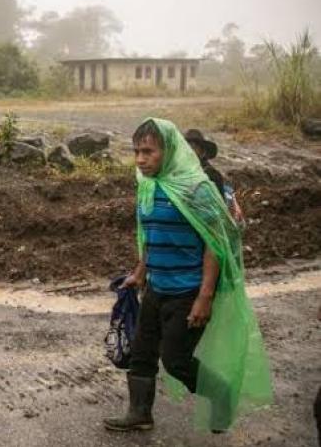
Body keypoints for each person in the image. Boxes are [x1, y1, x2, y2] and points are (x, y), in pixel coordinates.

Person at [104, 118, 272, 433]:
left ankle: (221, 393)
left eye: (148, 152)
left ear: (168, 151)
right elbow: (149, 234)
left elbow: (215, 244)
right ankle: (140, 413)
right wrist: (140, 272)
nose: (140, 159)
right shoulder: (148, 185)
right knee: (141, 354)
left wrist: (204, 297)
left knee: (176, 361)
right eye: (136, 151)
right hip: (156, 288)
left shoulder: (197, 188)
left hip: (188, 292)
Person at [184, 129, 244, 225]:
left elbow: (219, 208)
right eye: (186, 147)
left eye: (193, 147)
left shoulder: (211, 175)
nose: (189, 151)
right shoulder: (176, 173)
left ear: (202, 151)